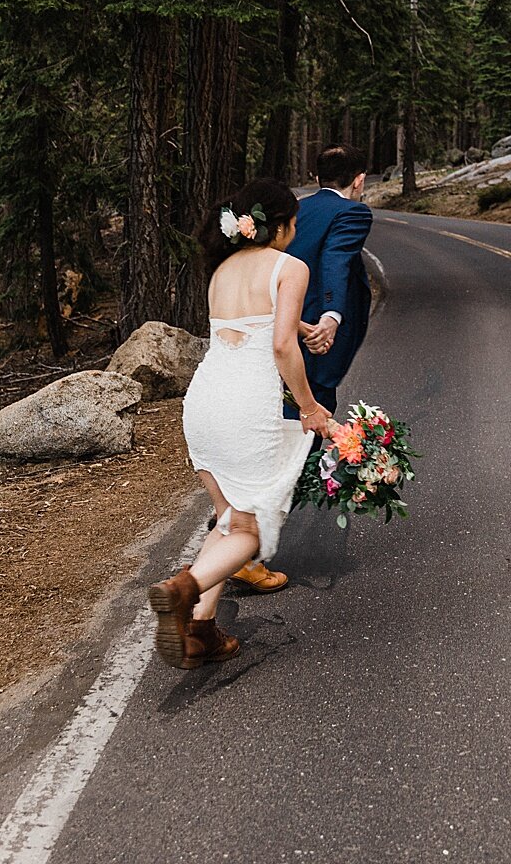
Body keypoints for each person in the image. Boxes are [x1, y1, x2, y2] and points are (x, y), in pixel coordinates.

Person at [148, 179, 332, 669]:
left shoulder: (222, 270)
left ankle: (201, 633)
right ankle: (181, 589)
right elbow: (277, 346)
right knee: (249, 533)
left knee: (228, 517)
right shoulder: (291, 267)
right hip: (247, 409)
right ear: (282, 225)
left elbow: (248, 325)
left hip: (204, 402)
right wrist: (310, 408)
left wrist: (300, 325)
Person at [228, 145, 375, 594]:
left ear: (314, 175)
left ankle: (240, 531)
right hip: (314, 341)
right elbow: (335, 263)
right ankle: (244, 546)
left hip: (275, 329)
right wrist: (330, 319)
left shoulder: (295, 212)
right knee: (299, 433)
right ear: (360, 179)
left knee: (277, 425)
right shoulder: (352, 213)